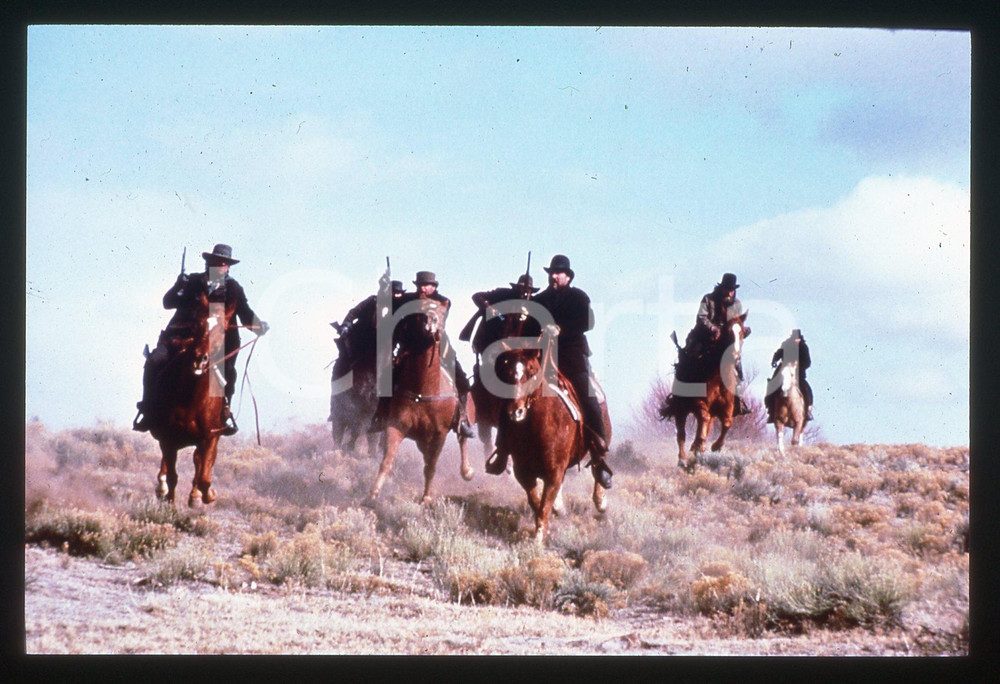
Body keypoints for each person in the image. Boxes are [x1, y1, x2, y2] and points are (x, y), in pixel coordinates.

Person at [492, 254, 613, 488]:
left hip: (571, 358)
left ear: (568, 276)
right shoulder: (538, 301)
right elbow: (528, 330)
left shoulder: (579, 298)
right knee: (513, 396)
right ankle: (502, 450)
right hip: (540, 360)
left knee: (589, 398)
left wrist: (561, 329)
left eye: (558, 273)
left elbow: (587, 322)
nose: (554, 277)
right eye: (551, 273)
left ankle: (599, 455)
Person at [133, 243, 268, 435]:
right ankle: (147, 409)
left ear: (228, 267)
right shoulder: (193, 281)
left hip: (219, 345)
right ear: (209, 262)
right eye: (217, 261)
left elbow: (245, 314)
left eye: (225, 263)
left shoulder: (234, 288)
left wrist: (259, 326)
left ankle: (223, 413)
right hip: (181, 338)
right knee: (154, 361)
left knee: (227, 373)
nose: (221, 265)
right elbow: (168, 303)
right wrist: (177, 285)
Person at [367, 271, 475, 438]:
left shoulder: (443, 301)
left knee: (462, 380)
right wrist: (385, 289)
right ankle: (381, 416)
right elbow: (390, 303)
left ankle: (461, 419)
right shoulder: (409, 299)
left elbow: (437, 317)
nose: (422, 289)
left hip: (437, 345)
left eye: (426, 285)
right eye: (420, 285)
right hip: (411, 347)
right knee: (388, 378)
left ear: (433, 287)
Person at [683, 272, 752, 415]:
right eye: (727, 289)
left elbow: (737, 322)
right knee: (690, 356)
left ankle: (738, 399)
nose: (729, 293)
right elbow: (701, 318)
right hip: (704, 336)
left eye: (732, 290)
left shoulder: (737, 304)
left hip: (725, 340)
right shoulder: (708, 299)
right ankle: (682, 392)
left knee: (737, 362)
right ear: (721, 288)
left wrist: (743, 330)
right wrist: (714, 329)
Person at [332, 279, 406, 381]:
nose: (396, 296)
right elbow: (354, 312)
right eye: (393, 292)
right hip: (364, 338)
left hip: (386, 345)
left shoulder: (400, 309)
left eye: (398, 294)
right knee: (347, 356)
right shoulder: (373, 301)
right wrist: (346, 324)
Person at [459, 273, 541, 356]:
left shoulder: (532, 305)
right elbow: (477, 296)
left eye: (527, 290)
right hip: (491, 339)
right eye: (521, 288)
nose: (523, 293)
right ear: (516, 288)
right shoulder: (503, 294)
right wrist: (489, 309)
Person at [766, 329, 814, 421]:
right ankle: (771, 409)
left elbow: (807, 362)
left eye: (798, 339)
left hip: (798, 372)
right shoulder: (786, 344)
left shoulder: (803, 347)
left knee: (805, 388)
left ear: (800, 338)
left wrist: (799, 367)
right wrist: (774, 360)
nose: (796, 340)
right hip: (784, 369)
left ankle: (807, 410)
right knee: (772, 385)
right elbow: (779, 353)